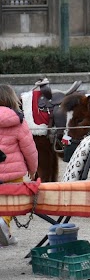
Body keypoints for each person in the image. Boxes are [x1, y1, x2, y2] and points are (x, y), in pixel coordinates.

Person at [0, 84, 38, 247]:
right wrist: (32, 168)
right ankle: (2, 223)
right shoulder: (19, 121)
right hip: (13, 172)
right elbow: (29, 149)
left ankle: (6, 235)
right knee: (10, 201)